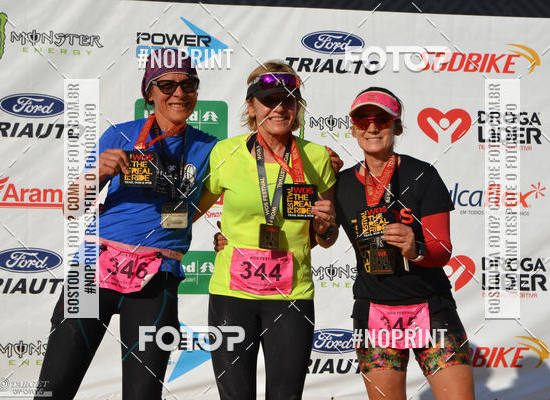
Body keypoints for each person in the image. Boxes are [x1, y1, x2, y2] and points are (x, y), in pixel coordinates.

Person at [35, 49, 217, 399]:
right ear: (149, 93)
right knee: (54, 386)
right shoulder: (119, 134)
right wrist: (98, 173)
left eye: (188, 84)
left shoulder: (210, 148)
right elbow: (71, 208)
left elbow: (218, 199)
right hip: (92, 268)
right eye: (167, 85)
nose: (179, 93)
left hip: (157, 274)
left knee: (142, 393)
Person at [192, 61, 338, 400]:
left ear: (297, 107)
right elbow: (189, 212)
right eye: (269, 100)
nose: (279, 108)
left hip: (291, 296)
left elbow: (327, 238)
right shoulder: (225, 152)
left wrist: (323, 226)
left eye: (288, 100)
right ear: (251, 107)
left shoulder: (317, 158)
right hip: (232, 295)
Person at [335, 87, 475, 399]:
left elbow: (442, 250)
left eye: (382, 119)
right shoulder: (340, 183)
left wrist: (416, 249)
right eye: (363, 120)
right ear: (353, 128)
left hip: (431, 306)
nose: (372, 127)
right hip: (375, 311)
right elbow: (321, 238)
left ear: (397, 127)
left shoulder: (422, 174)